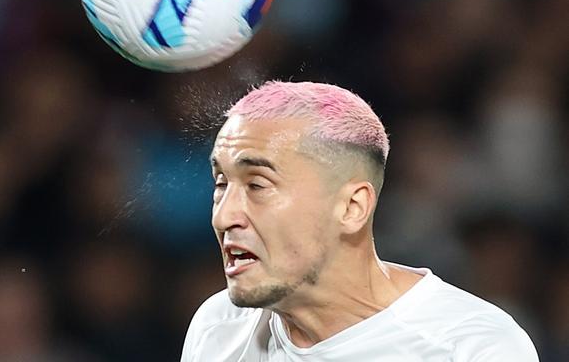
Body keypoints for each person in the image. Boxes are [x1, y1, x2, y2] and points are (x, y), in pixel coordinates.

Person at [181, 81, 538, 361]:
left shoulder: (471, 348)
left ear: (352, 207)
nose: (224, 215)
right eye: (221, 183)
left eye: (257, 185)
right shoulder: (218, 327)